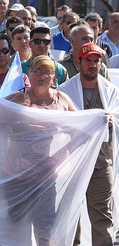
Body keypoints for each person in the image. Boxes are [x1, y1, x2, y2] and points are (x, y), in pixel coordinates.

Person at [5, 55, 76, 245]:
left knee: (45, 225)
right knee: (18, 225)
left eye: (48, 72)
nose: (42, 76)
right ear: (30, 73)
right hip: (18, 174)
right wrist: (14, 112)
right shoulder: (20, 97)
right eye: (38, 71)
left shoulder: (62, 99)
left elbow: (80, 126)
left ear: (54, 77)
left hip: (47, 175)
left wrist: (103, 119)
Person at [59, 43, 117, 246]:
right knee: (70, 215)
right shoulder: (63, 91)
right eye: (88, 61)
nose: (93, 65)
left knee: (102, 215)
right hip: (72, 163)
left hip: (101, 163)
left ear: (101, 63)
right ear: (79, 62)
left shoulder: (111, 92)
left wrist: (112, 122)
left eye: (96, 61)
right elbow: (57, 126)